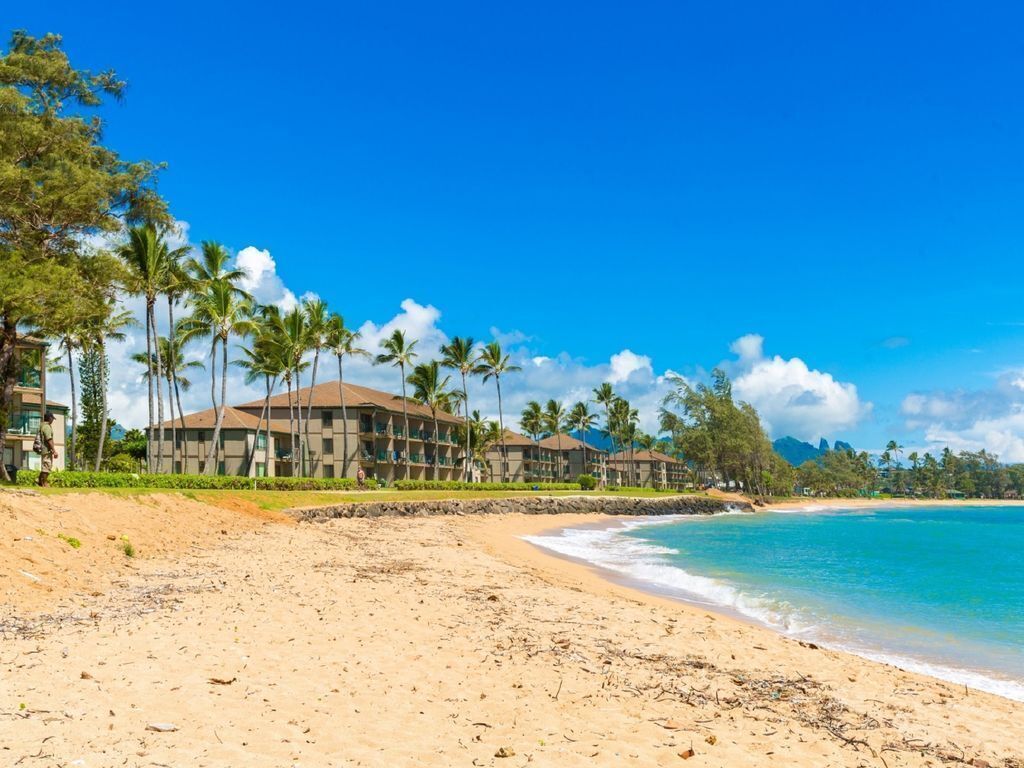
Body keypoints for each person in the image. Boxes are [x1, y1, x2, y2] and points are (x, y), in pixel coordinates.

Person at [38, 412, 57, 487]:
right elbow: (49, 439)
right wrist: (54, 450)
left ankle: (40, 481)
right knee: (47, 466)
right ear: (50, 418)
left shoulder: (43, 425)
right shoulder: (47, 427)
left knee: (46, 466)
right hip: (46, 449)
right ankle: (44, 483)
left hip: (45, 449)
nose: (52, 420)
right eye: (52, 418)